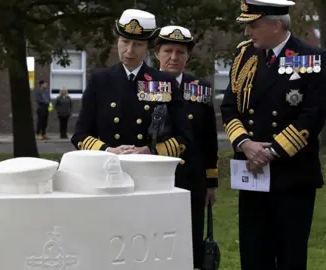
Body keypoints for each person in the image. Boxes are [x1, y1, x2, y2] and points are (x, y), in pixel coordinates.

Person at [220, 1, 326, 269]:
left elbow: (312, 116)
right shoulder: (244, 56)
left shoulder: (311, 59)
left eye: (253, 25)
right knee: (254, 254)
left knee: (290, 256)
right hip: (252, 175)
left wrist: (270, 151)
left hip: (292, 175)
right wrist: (245, 144)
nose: (247, 33)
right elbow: (230, 107)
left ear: (276, 25)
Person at [71, 9, 192, 158]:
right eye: (125, 42)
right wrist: (109, 151)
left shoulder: (164, 81)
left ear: (147, 48)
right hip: (110, 167)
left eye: (138, 44)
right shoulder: (99, 80)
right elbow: (80, 135)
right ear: (118, 42)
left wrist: (148, 150)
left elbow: (185, 135)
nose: (129, 51)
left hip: (149, 167)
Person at [155, 25, 219, 269]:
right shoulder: (144, 84)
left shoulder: (199, 88)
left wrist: (211, 183)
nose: (173, 57)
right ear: (157, 53)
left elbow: (208, 139)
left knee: (190, 237)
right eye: (168, 51)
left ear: (188, 56)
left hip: (191, 177)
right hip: (155, 175)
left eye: (180, 52)